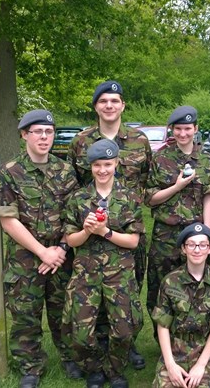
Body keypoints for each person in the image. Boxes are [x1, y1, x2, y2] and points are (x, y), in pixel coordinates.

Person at [0, 109, 80, 388]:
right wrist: (43, 252)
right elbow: (8, 219)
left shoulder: (65, 170)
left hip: (61, 255)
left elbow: (73, 215)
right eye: (37, 131)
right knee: (25, 314)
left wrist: (62, 249)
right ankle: (30, 366)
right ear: (24, 135)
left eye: (49, 131)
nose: (44, 137)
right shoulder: (9, 173)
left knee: (63, 311)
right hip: (25, 258)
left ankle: (68, 357)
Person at [67, 80, 151, 369]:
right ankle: (98, 347)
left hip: (127, 228)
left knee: (127, 294)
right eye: (103, 101)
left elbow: (146, 181)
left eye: (115, 101)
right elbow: (74, 183)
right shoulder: (80, 142)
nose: (109, 106)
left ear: (123, 105)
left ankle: (126, 346)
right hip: (90, 227)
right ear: (96, 107)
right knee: (91, 294)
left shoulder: (140, 140)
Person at [62, 139, 144, 388]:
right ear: (91, 167)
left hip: (120, 273)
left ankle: (115, 370)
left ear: (116, 163)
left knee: (124, 330)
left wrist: (105, 231)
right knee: (81, 331)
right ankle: (95, 368)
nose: (103, 170)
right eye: (97, 165)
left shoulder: (129, 197)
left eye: (108, 164)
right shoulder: (78, 198)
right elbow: (71, 240)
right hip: (86, 273)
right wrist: (87, 231)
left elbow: (133, 241)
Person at [145, 105, 210, 325]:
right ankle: (163, 340)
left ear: (195, 129)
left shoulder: (207, 160)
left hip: (195, 237)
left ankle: (192, 339)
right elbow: (150, 198)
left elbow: (209, 195)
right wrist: (176, 187)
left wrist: (207, 231)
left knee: (197, 287)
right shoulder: (160, 159)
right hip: (165, 236)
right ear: (171, 131)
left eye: (187, 129)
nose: (183, 134)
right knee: (160, 288)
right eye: (178, 129)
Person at [151, 223, 210, 388]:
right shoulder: (170, 281)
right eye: (191, 244)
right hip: (175, 350)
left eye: (202, 245)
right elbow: (163, 325)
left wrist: (201, 365)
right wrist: (170, 365)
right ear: (183, 249)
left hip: (203, 351)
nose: (197, 249)